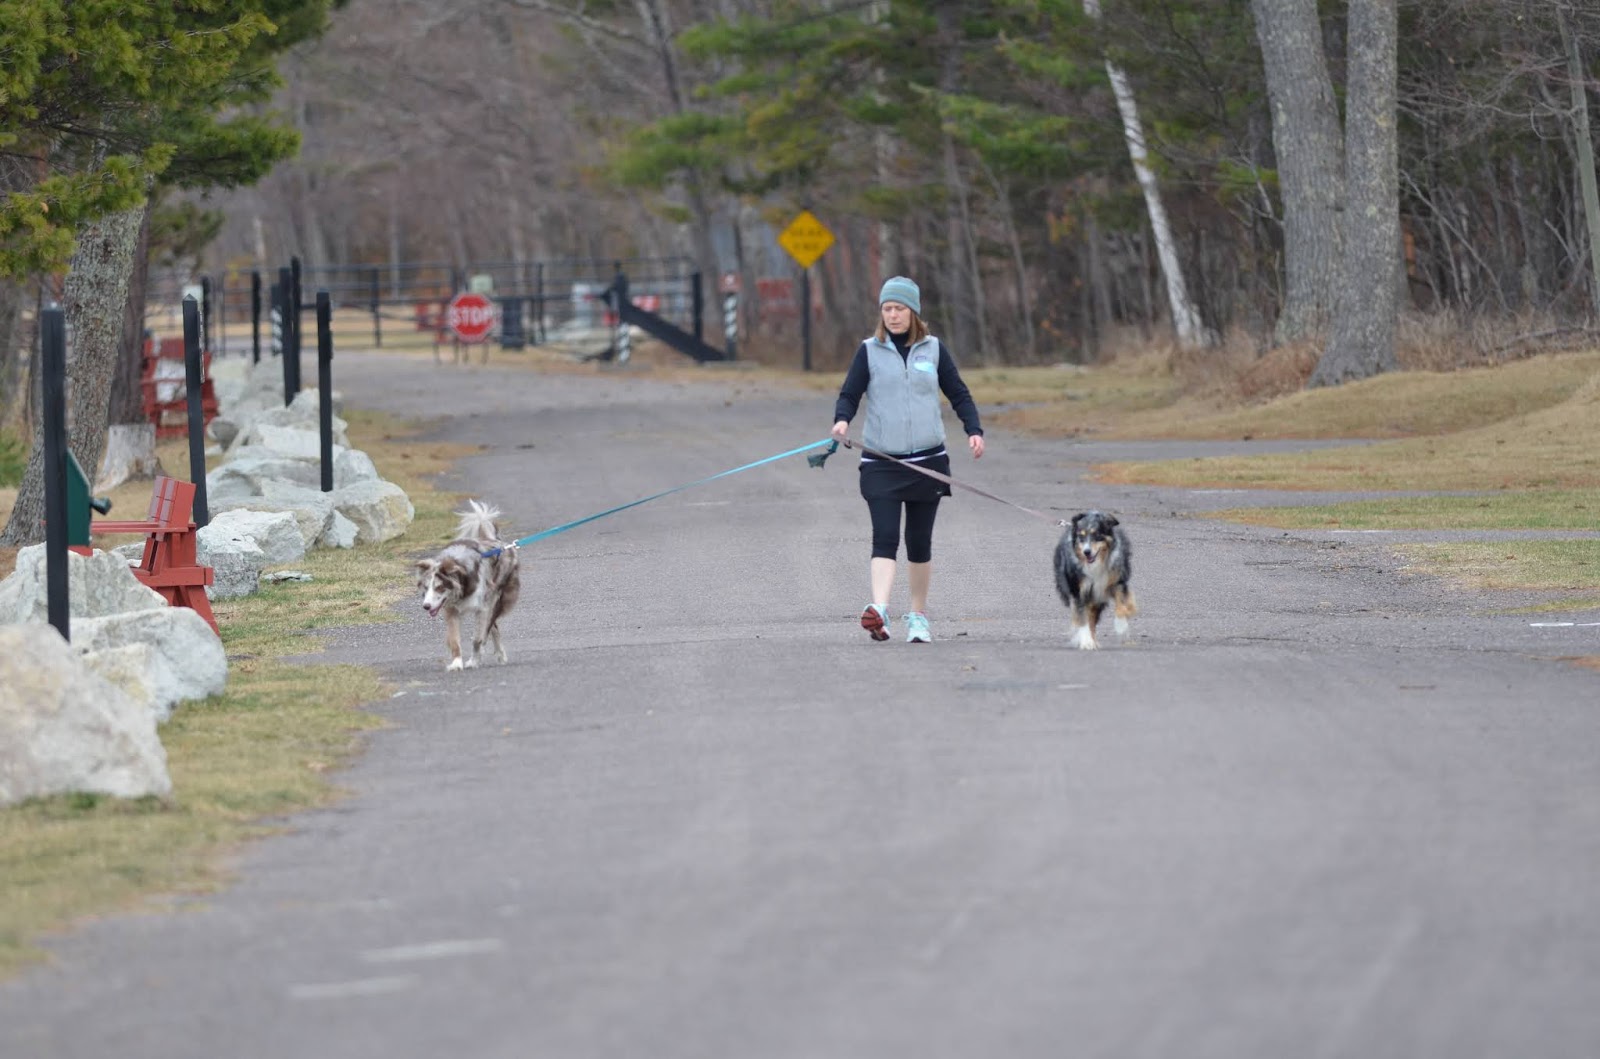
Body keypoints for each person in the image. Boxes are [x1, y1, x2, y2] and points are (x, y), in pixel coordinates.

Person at [831, 276, 984, 644]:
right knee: (884, 536)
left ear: (913, 312)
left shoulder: (933, 350)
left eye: (899, 308)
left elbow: (958, 393)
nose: (893, 315)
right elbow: (850, 393)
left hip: (927, 463)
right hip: (882, 461)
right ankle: (880, 610)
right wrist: (842, 421)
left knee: (918, 542)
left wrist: (973, 429)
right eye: (887, 309)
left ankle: (917, 615)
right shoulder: (869, 351)